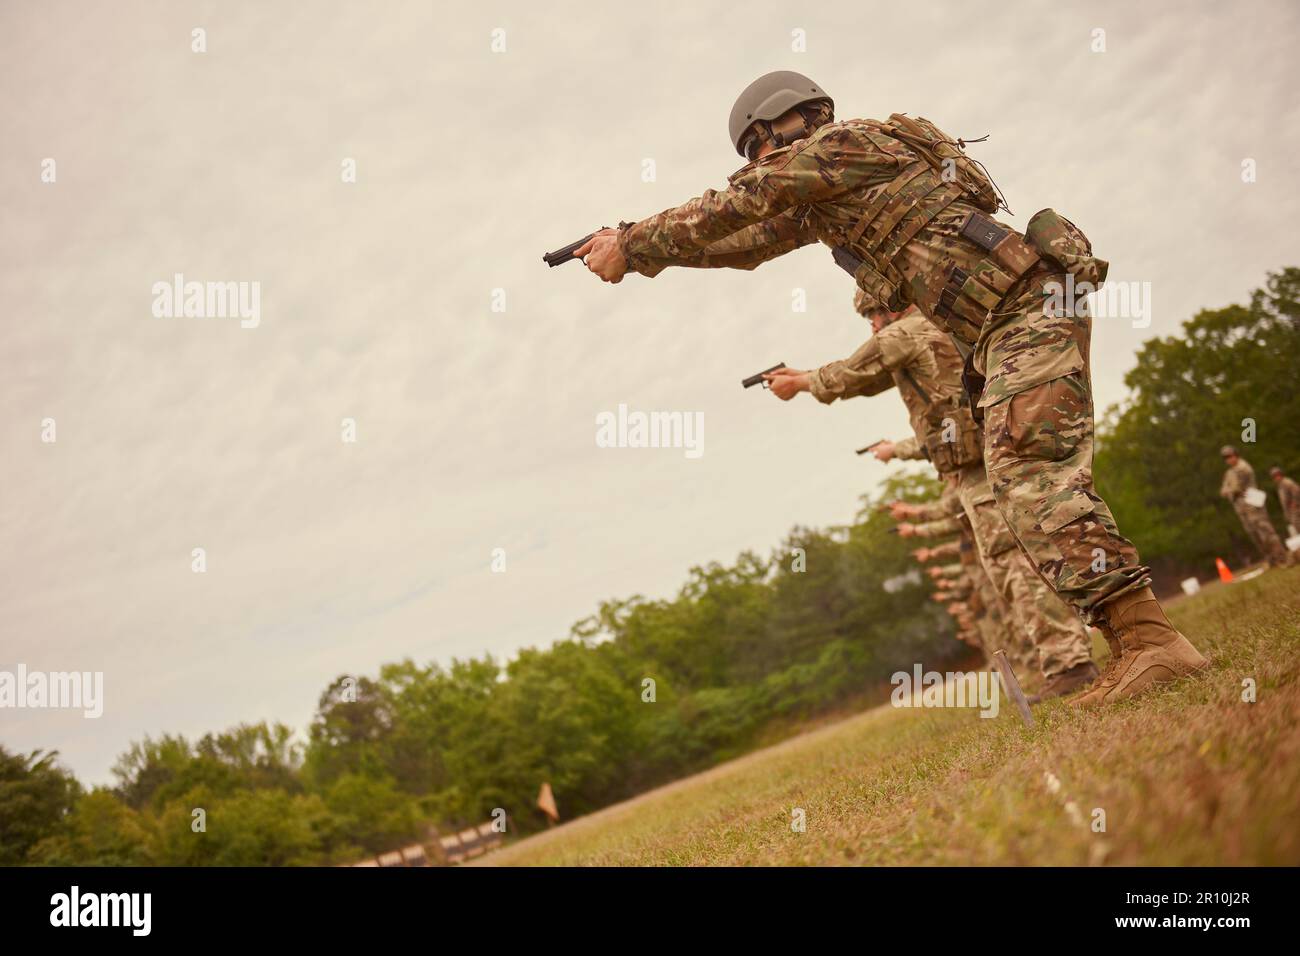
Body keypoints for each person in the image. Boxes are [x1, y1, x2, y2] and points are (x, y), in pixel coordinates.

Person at [573, 70, 1207, 705]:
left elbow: (737, 205)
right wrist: (639, 257)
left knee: (1030, 474)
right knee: (1025, 477)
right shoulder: (832, 190)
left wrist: (631, 240)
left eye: (756, 148)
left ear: (781, 125)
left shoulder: (843, 146)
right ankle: (1138, 645)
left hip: (1024, 309)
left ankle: (1152, 644)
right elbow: (745, 242)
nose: (758, 163)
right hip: (1006, 321)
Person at [1219, 447, 1290, 567]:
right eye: (1226, 458)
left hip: (1251, 501)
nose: (1229, 459)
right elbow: (1223, 490)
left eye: (1230, 456)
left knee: (1265, 530)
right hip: (1240, 506)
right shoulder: (1229, 472)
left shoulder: (1243, 468)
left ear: (1236, 455)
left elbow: (1236, 488)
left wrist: (1228, 490)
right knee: (1254, 534)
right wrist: (1228, 490)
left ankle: (1281, 557)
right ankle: (1271, 560)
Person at [1269, 466, 1300, 538]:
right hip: (1290, 510)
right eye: (1274, 476)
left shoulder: (1287, 482)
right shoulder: (1280, 485)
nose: (1276, 478)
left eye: (1277, 475)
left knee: (1298, 524)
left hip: (1296, 508)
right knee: (1296, 525)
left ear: (1281, 474)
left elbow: (1296, 491)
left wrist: (1295, 503)